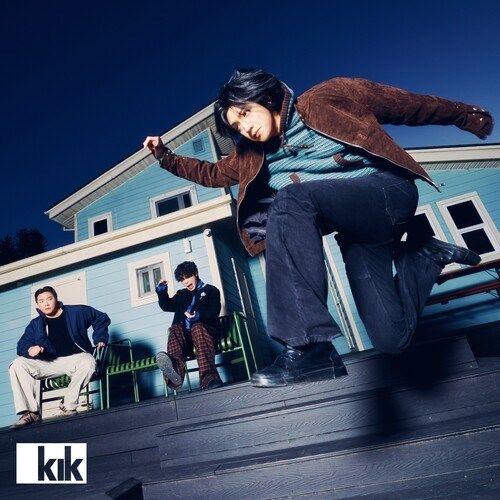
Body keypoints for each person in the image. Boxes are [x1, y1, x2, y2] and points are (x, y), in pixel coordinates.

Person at [143, 69, 493, 388]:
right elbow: (210, 173)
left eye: (245, 113)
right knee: (391, 338)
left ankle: (308, 345)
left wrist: (465, 115)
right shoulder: (250, 156)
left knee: (290, 199)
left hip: (387, 193)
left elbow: (405, 105)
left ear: (265, 97)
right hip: (357, 232)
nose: (244, 128)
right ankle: (422, 257)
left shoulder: (328, 98)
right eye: (236, 126)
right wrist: (165, 156)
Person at [9, 286, 110, 427]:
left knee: (89, 363)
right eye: (41, 301)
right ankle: (31, 413)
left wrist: (100, 338)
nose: (46, 303)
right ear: (38, 304)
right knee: (17, 364)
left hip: (76, 358)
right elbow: (22, 344)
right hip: (50, 362)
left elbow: (100, 318)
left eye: (49, 299)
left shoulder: (76, 312)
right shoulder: (35, 324)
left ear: (56, 299)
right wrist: (30, 349)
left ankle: (68, 405)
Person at [155, 261, 223, 391]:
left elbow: (214, 312)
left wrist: (198, 316)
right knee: (175, 328)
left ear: (195, 273)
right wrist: (162, 291)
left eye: (187, 277)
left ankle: (209, 379)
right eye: (182, 280)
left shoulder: (211, 290)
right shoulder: (182, 294)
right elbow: (166, 306)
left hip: (205, 334)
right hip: (187, 340)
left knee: (197, 327)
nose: (185, 282)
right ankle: (175, 373)